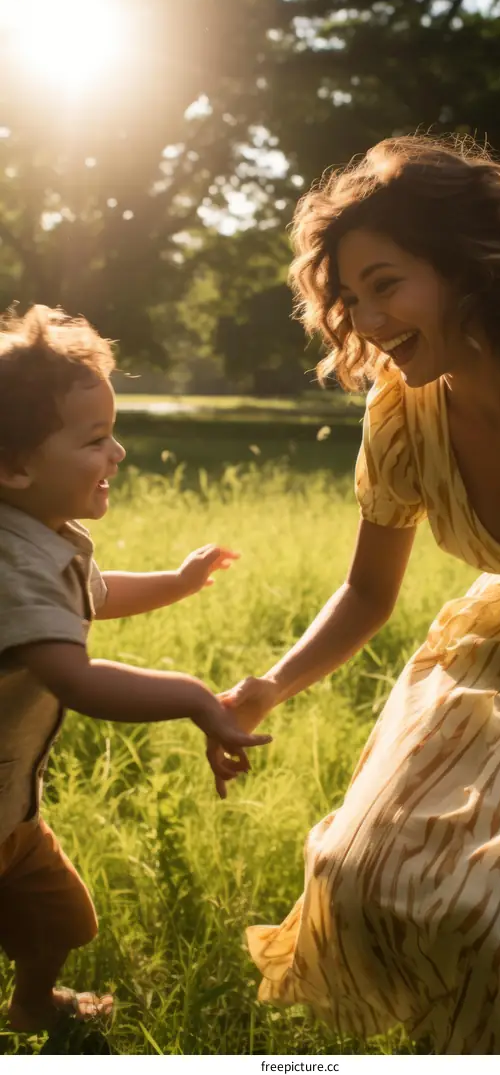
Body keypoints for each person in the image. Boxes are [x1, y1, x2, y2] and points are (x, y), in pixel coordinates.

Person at [207, 134, 500, 1054]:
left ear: (466, 265)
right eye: (351, 296)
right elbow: (364, 592)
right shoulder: (402, 412)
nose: (369, 318)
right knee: (356, 868)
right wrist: (267, 686)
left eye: (388, 283)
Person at [0, 305, 270, 1033]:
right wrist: (191, 695)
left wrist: (177, 583)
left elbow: (94, 594)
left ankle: (31, 1004)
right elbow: (75, 676)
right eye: (94, 439)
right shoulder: (12, 560)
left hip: (11, 812)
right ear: (15, 466)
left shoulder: (46, 538)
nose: (118, 453)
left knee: (63, 918)